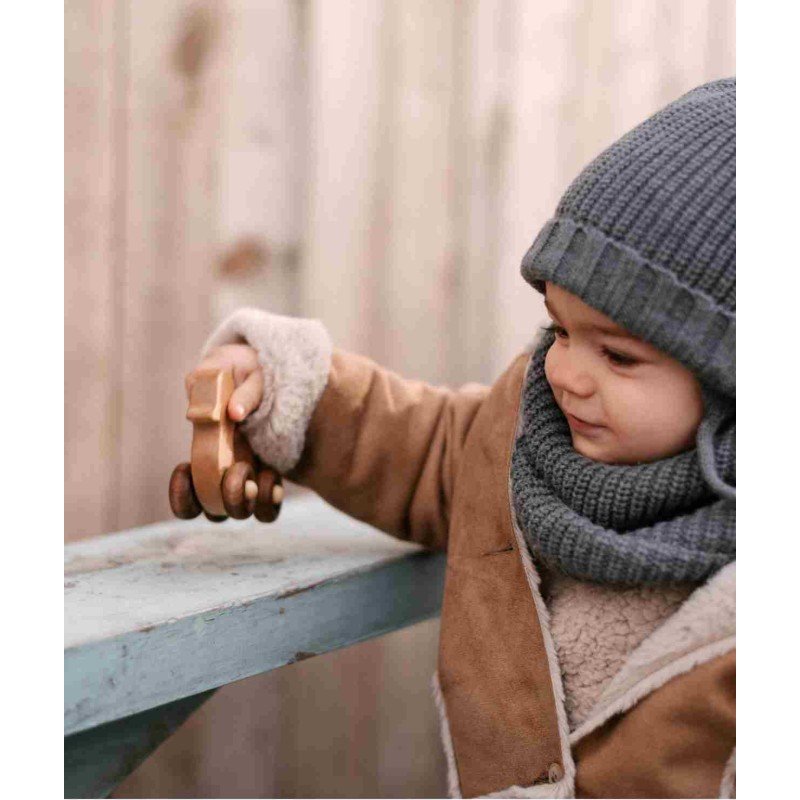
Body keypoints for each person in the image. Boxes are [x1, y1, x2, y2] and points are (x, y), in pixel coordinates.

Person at [184, 78, 736, 798]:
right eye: (561, 329)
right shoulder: (524, 441)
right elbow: (430, 448)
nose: (567, 372)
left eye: (620, 355)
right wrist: (287, 388)